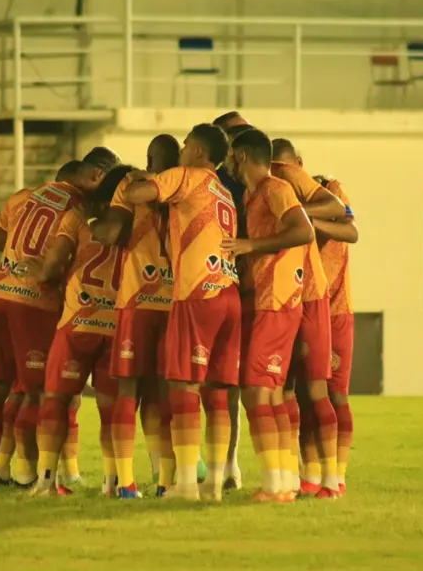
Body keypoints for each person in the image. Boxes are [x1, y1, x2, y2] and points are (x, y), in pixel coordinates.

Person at [120, 123, 241, 501]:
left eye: (186, 144)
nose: (182, 150)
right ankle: (215, 484)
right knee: (218, 392)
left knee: (183, 387)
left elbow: (139, 193)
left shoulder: (186, 175)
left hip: (196, 293)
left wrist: (140, 179)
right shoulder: (223, 191)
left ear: (200, 153)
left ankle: (187, 484)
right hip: (229, 291)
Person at [0, 159, 108, 495]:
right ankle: (26, 475)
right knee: (37, 392)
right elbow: (52, 268)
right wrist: (53, 279)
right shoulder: (77, 209)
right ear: (93, 175)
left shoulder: (23, 196)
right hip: (36, 302)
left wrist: (17, 257)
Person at [28, 166, 135, 497]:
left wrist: (40, 271)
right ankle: (112, 482)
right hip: (116, 325)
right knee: (111, 408)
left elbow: (52, 266)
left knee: (56, 400)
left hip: (78, 322)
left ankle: (46, 482)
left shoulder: (77, 218)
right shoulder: (137, 225)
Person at [222, 129, 315, 502]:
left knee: (257, 391)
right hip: (265, 298)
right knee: (271, 394)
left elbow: (304, 231)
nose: (227, 161)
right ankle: (284, 480)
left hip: (277, 301)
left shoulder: (276, 188)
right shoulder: (251, 194)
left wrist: (252, 245)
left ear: (241, 157)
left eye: (231, 155)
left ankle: (276, 486)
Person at [93, 135, 181, 498]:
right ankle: (164, 482)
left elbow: (110, 233)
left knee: (127, 391)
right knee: (163, 396)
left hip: (137, 300)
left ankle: (126, 483)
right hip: (176, 300)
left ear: (149, 158)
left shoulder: (132, 184)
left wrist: (90, 222)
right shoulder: (185, 185)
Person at [273, 138, 360, 496]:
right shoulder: (275, 196)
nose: (283, 177)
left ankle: (335, 477)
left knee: (331, 394)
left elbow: (351, 231)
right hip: (293, 300)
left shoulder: (328, 191)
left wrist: (305, 220)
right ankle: (305, 476)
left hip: (333, 306)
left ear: (300, 164)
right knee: (292, 392)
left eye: (288, 169)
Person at [211, 112, 253, 490]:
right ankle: (215, 465)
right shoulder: (215, 179)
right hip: (226, 286)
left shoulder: (262, 180)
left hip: (242, 288)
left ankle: (228, 464)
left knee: (228, 382)